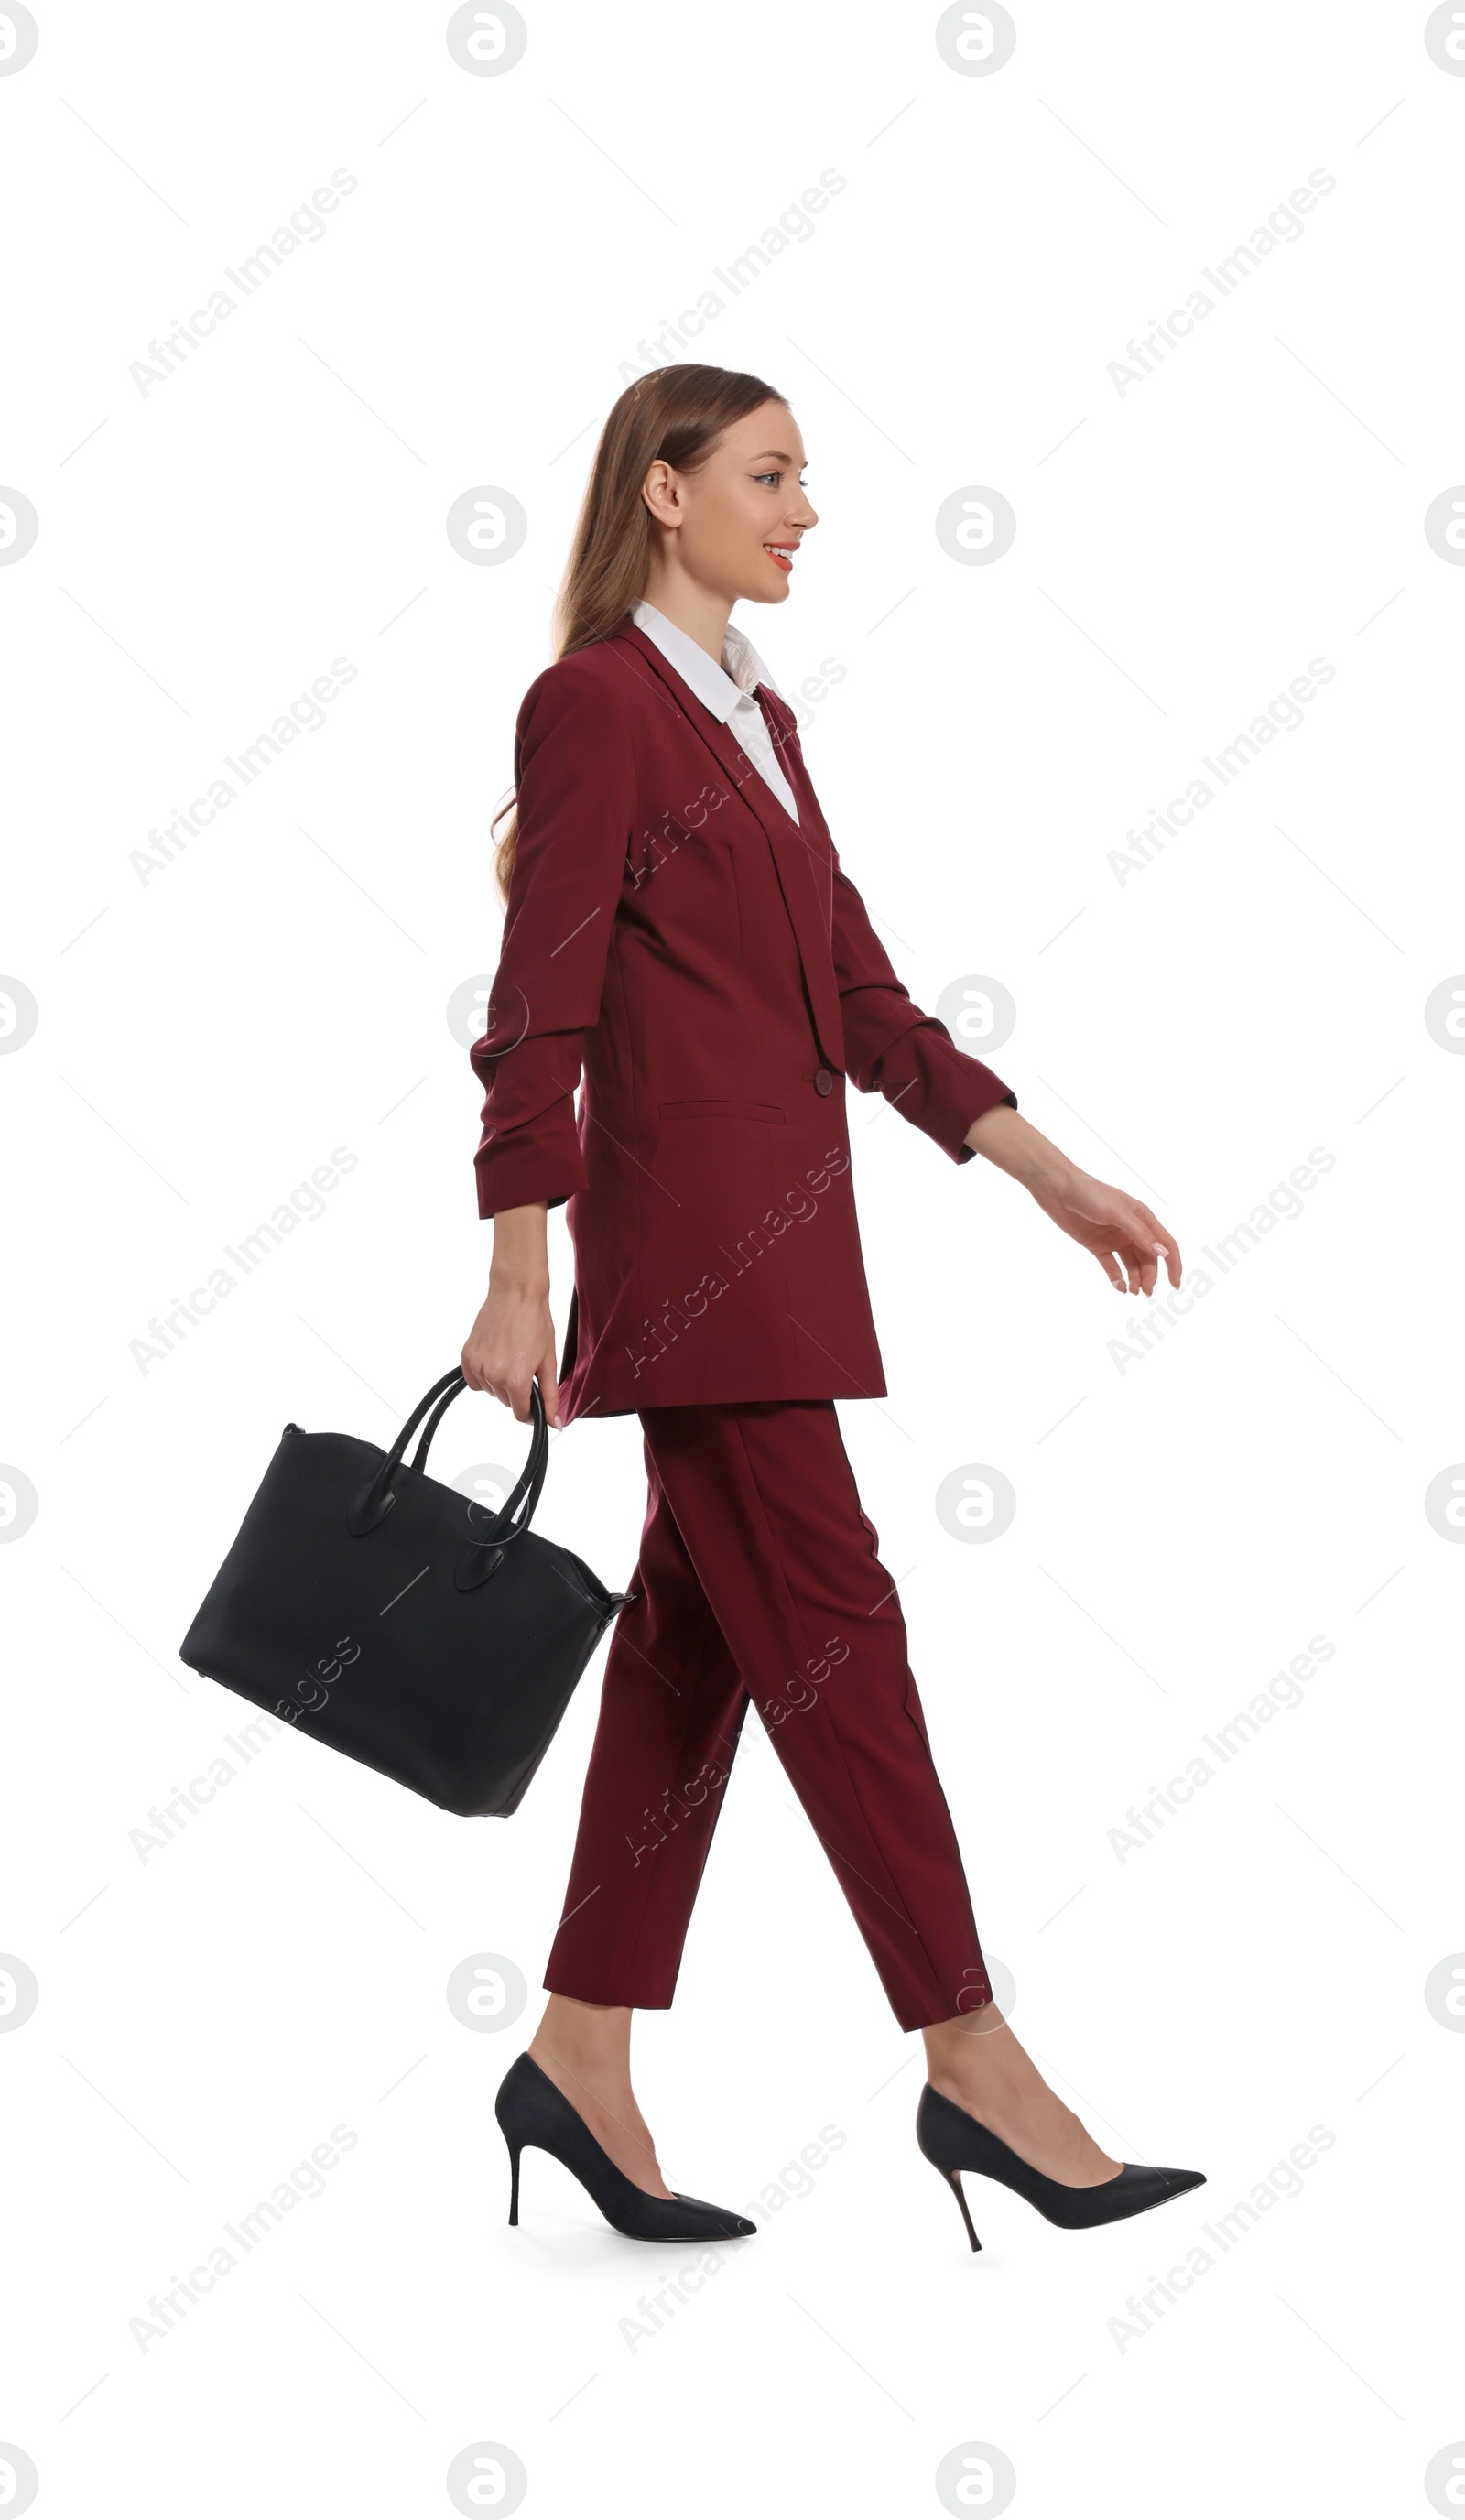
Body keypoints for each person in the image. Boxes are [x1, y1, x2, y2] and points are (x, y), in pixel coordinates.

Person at [463, 364, 1204, 2251]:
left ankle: (577, 2046)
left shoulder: (757, 717)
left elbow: (863, 1002)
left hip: (784, 1257)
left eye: (806, 477)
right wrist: (516, 1263)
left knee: (692, 1656)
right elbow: (537, 1001)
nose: (804, 511)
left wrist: (1046, 1170)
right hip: (690, 1273)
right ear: (663, 491)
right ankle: (968, 2053)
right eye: (771, 474)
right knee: (841, 1641)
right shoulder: (596, 704)